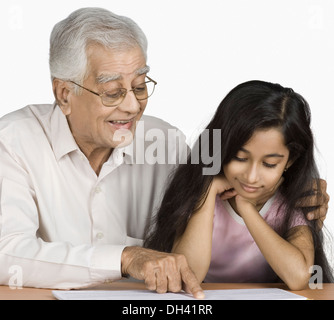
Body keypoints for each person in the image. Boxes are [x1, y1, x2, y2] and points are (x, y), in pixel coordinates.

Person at [0, 8, 329, 296]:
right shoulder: (13, 141)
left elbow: (225, 193)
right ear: (64, 94)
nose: (132, 106)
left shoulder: (167, 141)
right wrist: (127, 257)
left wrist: (298, 191)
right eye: (113, 92)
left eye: (140, 86)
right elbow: (6, 253)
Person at [145, 80, 333, 289]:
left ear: (290, 160)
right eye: (240, 158)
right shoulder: (198, 193)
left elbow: (299, 277)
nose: (251, 177)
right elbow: (189, 274)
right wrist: (208, 190)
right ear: (222, 148)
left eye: (269, 164)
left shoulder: (290, 205)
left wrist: (246, 208)